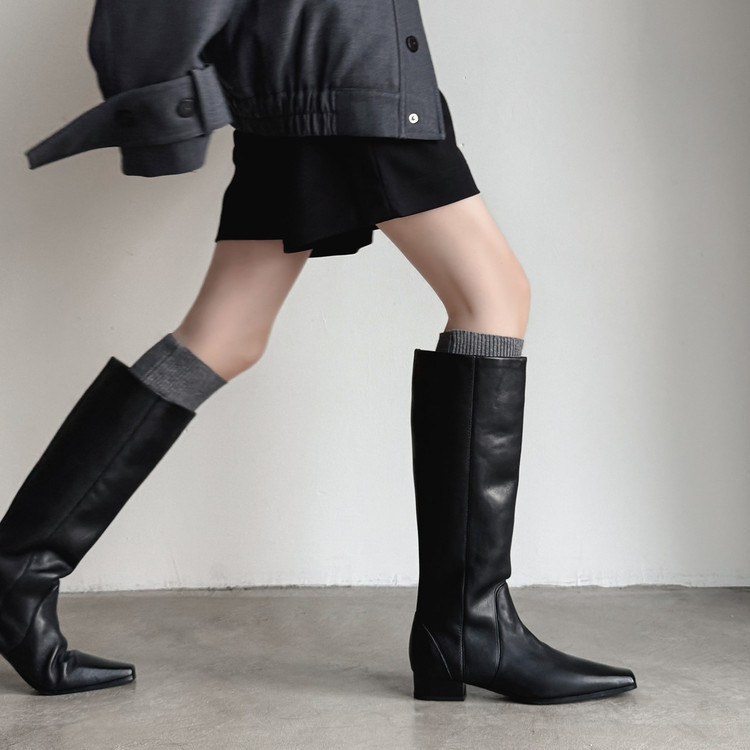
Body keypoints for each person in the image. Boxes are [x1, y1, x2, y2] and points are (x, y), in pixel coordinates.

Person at [0, 0, 636, 702]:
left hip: (315, 82)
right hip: (348, 84)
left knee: (226, 334)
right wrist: (162, 120)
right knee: (494, 297)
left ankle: (16, 571)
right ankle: (468, 625)